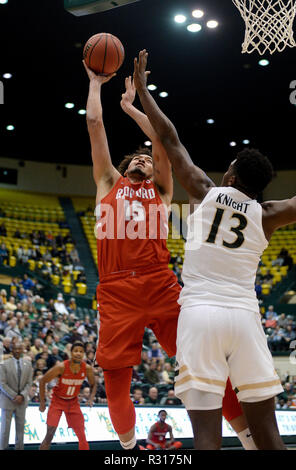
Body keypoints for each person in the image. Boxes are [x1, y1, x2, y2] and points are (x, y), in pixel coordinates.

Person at [83, 59, 256, 451]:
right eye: (138, 158)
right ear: (126, 168)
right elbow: (95, 125)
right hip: (115, 291)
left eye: (147, 158)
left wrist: (130, 108)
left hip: (160, 283)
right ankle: (128, 451)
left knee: (205, 365)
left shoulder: (161, 190)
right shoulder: (108, 181)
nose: (145, 159)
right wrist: (96, 84)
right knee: (115, 384)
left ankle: (248, 440)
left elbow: (161, 139)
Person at [133, 49, 294, 450]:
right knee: (267, 433)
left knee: (206, 435)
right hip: (244, 318)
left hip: (200, 314)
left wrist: (143, 91)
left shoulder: (204, 191)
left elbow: (169, 139)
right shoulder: (268, 213)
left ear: (231, 175)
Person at [39, 341, 96, 450]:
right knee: (49, 435)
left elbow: (94, 384)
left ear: (84, 354)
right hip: (57, 401)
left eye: (81, 351)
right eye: (76, 351)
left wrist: (91, 398)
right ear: (71, 353)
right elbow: (42, 381)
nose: (78, 353)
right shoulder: (61, 367)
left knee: (81, 435)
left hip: (73, 402)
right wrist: (42, 402)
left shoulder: (87, 368)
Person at [0, 341, 33, 450]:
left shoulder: (28, 364)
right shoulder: (4, 364)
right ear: (11, 349)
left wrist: (22, 395)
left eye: (19, 349)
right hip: (8, 401)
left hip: (22, 402)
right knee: (5, 430)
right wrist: (14, 396)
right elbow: (2, 383)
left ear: (23, 350)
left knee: (20, 430)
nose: (17, 351)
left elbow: (29, 383)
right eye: (15, 349)